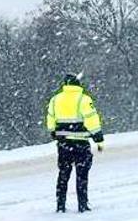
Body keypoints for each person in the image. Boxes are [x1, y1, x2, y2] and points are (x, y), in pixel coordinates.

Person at [44, 72, 105, 212]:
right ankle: (82, 205)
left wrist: (53, 131)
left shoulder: (55, 99)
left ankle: (60, 205)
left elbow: (50, 119)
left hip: (63, 143)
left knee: (63, 174)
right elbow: (92, 118)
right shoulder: (83, 99)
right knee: (82, 174)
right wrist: (98, 137)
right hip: (80, 142)